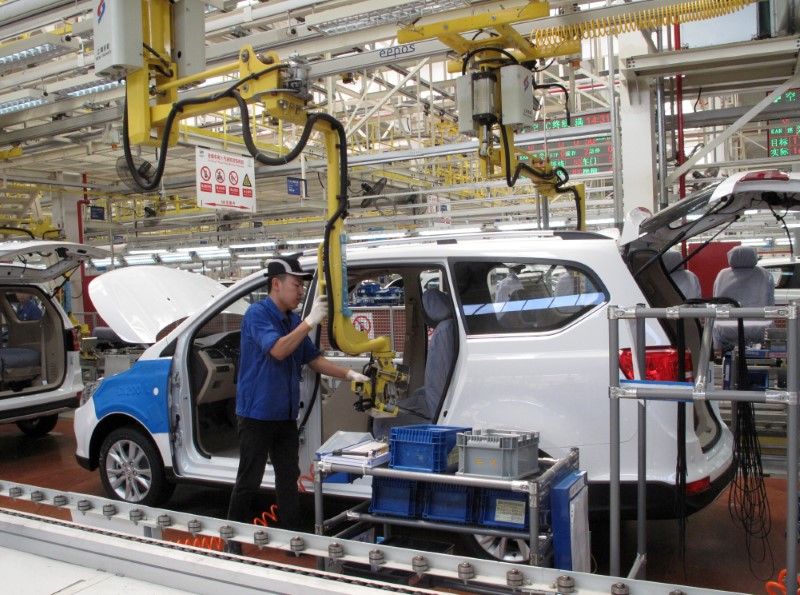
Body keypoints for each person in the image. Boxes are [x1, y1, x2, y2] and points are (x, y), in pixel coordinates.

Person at [226, 257, 369, 543]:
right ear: (275, 284)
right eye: (295, 284)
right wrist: (309, 321)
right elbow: (278, 350)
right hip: (257, 414)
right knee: (249, 479)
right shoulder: (258, 315)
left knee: (288, 477)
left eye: (302, 286)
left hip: (284, 415)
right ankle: (230, 537)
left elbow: (313, 359)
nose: (301, 291)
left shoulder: (291, 320)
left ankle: (293, 536)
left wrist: (350, 374)